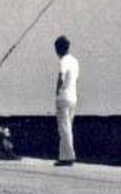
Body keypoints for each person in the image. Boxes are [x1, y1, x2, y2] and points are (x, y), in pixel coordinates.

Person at [53, 35, 79, 166]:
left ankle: (68, 156)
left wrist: (57, 92)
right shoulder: (75, 61)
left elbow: (61, 77)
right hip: (73, 97)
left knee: (63, 128)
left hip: (63, 97)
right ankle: (64, 155)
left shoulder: (63, 61)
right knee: (68, 127)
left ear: (59, 49)